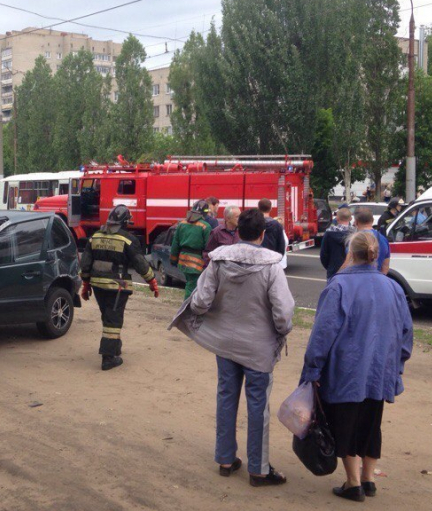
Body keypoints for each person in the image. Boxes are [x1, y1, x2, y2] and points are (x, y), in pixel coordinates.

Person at [169, 208, 294, 487]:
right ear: (263, 234)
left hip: (224, 344)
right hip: (258, 349)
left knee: (226, 397)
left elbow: (200, 302)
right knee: (258, 405)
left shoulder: (218, 260)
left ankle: (225, 460)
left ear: (237, 231)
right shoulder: (272, 265)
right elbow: (283, 314)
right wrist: (281, 331)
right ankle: (259, 470)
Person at [301, 231, 413, 502]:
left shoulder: (338, 286)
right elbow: (406, 331)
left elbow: (323, 333)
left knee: (346, 422)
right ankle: (369, 478)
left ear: (350, 253)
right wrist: (397, 364)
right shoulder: (393, 287)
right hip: (380, 369)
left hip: (346, 370)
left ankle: (353, 483)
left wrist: (312, 370)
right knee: (372, 421)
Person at [80, 205, 159, 370]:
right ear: (125, 222)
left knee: (108, 316)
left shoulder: (94, 237)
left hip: (98, 286)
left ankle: (114, 347)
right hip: (118, 286)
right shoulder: (128, 239)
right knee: (113, 320)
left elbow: (85, 264)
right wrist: (152, 281)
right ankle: (108, 358)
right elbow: (140, 263)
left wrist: (85, 285)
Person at [170, 200, 212, 300]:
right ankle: (187, 308)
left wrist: (173, 259)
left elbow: (175, 244)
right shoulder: (206, 226)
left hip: (183, 261)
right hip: (197, 263)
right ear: (205, 212)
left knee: (191, 284)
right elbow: (208, 247)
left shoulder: (181, 224)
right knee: (192, 286)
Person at [320, 207, 354, 280]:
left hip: (333, 270)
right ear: (350, 219)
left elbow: (324, 254)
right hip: (351, 271)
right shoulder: (355, 234)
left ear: (337, 219)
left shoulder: (329, 233)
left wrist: (329, 267)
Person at [353, 208, 390, 275]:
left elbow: (348, 263)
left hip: (357, 280)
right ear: (372, 221)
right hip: (376, 280)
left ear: (356, 222)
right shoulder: (383, 239)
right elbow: (385, 267)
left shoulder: (354, 240)